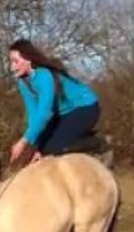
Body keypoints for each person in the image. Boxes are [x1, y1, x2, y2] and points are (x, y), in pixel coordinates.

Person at [7, 38, 100, 167]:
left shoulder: (44, 75)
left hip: (84, 108)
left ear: (28, 60)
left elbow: (45, 113)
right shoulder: (23, 82)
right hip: (62, 114)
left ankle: (96, 143)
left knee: (54, 148)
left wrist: (23, 142)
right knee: (44, 149)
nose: (12, 67)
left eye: (15, 61)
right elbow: (34, 115)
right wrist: (37, 146)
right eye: (11, 62)